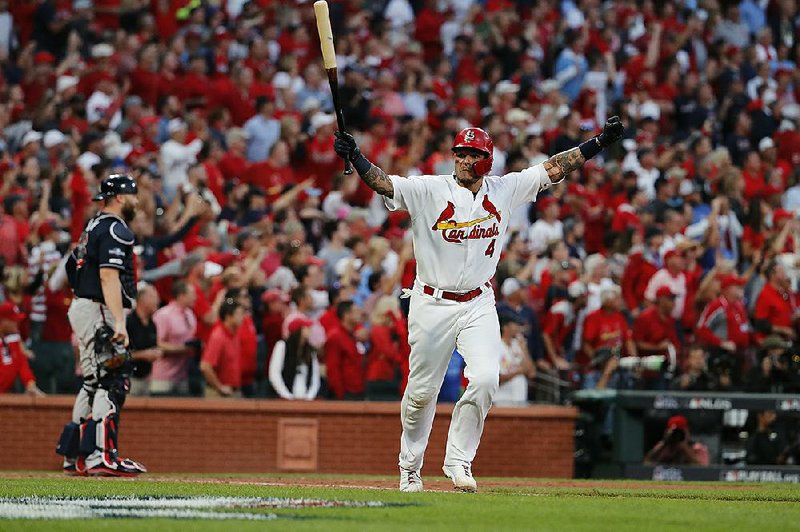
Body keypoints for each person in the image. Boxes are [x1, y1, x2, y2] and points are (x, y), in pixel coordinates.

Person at [333, 116, 624, 492]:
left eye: (474, 154)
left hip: (478, 302)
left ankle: (458, 460)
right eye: (461, 153)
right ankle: (410, 467)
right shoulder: (429, 189)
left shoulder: (505, 188)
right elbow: (383, 182)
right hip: (431, 301)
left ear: (488, 159)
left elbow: (554, 165)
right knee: (421, 393)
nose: (465, 160)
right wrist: (356, 156)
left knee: (487, 378)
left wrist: (598, 142)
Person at [56, 174, 145, 477]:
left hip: (84, 306)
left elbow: (71, 266)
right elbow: (109, 276)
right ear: (120, 197)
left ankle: (74, 457)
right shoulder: (115, 228)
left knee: (92, 382)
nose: (137, 201)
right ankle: (101, 456)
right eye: (134, 195)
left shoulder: (92, 225)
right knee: (113, 379)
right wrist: (119, 320)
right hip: (98, 309)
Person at [200, 297, 245, 398]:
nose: (242, 318)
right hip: (219, 394)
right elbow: (205, 366)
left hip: (234, 390)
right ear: (228, 317)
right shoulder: (218, 337)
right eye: (239, 314)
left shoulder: (234, 334)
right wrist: (219, 387)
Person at [268, 316, 321, 400]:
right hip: (284, 398)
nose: (309, 330)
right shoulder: (282, 346)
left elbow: (315, 377)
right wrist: (286, 395)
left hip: (305, 399)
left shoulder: (310, 351)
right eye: (306, 327)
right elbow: (274, 374)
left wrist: (309, 397)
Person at [0, 302, 44, 396]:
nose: (17, 323)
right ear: (3, 322)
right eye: (13, 320)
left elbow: (22, 363)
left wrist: (30, 384)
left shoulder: (14, 339)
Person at [126, 284, 163, 396]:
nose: (158, 301)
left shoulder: (152, 324)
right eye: (153, 297)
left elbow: (154, 345)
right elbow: (118, 355)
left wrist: (156, 353)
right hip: (130, 378)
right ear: (142, 300)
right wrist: (142, 355)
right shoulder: (128, 323)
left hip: (146, 378)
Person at [644, 415, 709, 466]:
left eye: (680, 431)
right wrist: (664, 443)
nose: (677, 435)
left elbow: (703, 469)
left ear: (687, 431)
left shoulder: (697, 448)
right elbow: (646, 464)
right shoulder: (664, 448)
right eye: (675, 432)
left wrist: (684, 448)